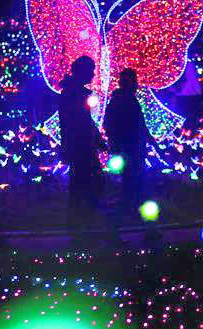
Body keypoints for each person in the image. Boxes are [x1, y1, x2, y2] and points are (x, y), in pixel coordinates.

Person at [104, 68, 161, 236]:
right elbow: (115, 127)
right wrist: (122, 149)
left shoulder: (123, 100)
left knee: (133, 189)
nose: (136, 84)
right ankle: (120, 228)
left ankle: (135, 227)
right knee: (134, 190)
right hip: (131, 152)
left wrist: (150, 141)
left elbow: (136, 125)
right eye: (133, 81)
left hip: (132, 151)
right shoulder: (123, 101)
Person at [58, 56, 105, 243]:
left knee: (82, 186)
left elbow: (84, 120)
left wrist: (98, 139)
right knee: (89, 185)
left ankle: (80, 228)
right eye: (91, 70)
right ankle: (82, 229)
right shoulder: (73, 94)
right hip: (81, 147)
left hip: (81, 146)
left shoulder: (73, 93)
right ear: (81, 71)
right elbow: (77, 122)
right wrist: (95, 139)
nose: (93, 74)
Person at [172, 60, 203, 128]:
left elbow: (193, 77)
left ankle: (188, 128)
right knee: (187, 115)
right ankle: (188, 128)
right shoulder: (184, 65)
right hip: (186, 95)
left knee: (186, 115)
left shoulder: (187, 65)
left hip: (187, 95)